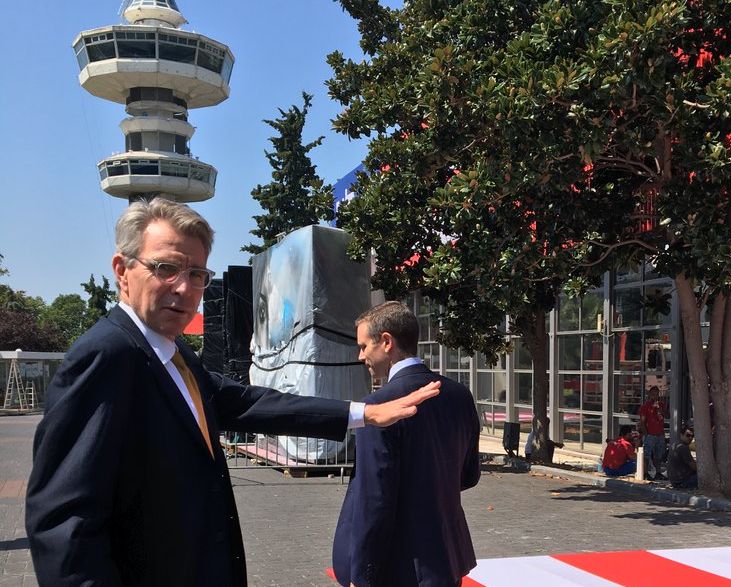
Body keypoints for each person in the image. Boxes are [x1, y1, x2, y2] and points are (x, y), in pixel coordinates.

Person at [25, 199, 440, 587]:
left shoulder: (174, 354)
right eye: (166, 268)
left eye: (196, 274)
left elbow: (247, 402)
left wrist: (364, 413)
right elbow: (64, 524)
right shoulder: (106, 357)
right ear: (122, 270)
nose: (183, 288)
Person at [332, 301, 481, 587]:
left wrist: (362, 576)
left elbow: (374, 499)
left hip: (400, 566)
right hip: (447, 559)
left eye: (364, 346)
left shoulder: (377, 407)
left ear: (386, 342)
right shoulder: (460, 395)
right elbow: (469, 475)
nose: (360, 356)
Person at [638, 385, 667, 480]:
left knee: (658, 455)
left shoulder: (661, 405)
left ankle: (658, 472)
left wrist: (660, 410)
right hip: (650, 434)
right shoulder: (645, 406)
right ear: (650, 395)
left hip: (660, 434)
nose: (655, 396)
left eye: (657, 394)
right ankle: (646, 473)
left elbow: (666, 416)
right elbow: (642, 422)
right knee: (647, 455)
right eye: (653, 394)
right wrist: (646, 434)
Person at [667, 424, 698, 489]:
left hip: (675, 481)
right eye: (688, 435)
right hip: (682, 481)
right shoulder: (683, 447)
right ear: (681, 435)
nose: (690, 438)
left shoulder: (675, 444)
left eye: (692, 436)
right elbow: (694, 466)